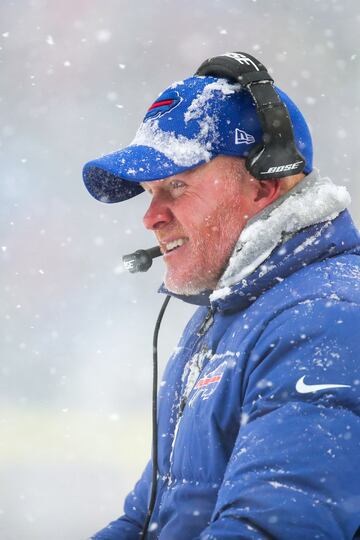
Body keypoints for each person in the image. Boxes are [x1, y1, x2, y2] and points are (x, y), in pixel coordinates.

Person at [83, 52, 360, 539]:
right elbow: (147, 518)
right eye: (150, 193)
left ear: (264, 186)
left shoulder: (325, 320)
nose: (151, 218)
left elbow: (271, 529)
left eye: (176, 186)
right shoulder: (235, 313)